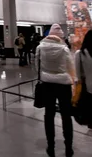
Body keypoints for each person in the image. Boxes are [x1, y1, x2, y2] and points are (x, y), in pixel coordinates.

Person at [35, 24, 75, 157]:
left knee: (49, 114)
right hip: (63, 84)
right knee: (66, 116)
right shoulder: (64, 48)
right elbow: (70, 66)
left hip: (47, 84)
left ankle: (50, 145)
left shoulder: (40, 48)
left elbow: (37, 66)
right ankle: (68, 147)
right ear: (60, 36)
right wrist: (72, 79)